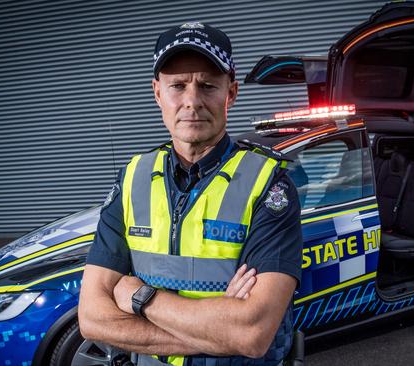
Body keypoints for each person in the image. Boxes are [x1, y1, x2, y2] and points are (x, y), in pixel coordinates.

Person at [78, 21, 302, 366]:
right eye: (178, 86)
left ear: (231, 93)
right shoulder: (132, 177)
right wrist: (217, 332)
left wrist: (139, 297)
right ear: (157, 93)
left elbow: (251, 335)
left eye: (208, 85)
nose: (192, 101)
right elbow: (92, 317)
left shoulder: (269, 183)